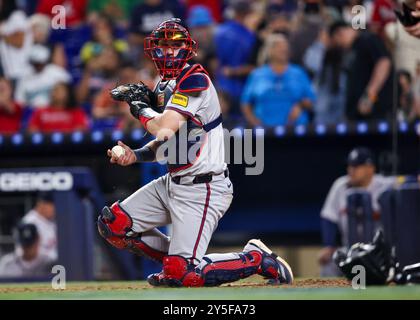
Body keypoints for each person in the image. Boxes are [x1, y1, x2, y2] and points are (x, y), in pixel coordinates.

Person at [97, 18, 294, 287]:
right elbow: (169, 143)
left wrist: (140, 108)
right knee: (114, 225)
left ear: (187, 49)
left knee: (186, 275)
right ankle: (177, 264)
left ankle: (255, 258)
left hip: (203, 188)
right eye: (162, 46)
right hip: (171, 183)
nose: (168, 52)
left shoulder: (195, 79)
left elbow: (164, 129)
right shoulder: (164, 85)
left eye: (174, 46)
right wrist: (137, 154)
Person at [318, 147, 395, 277]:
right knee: (328, 265)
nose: (351, 170)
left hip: (379, 252)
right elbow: (328, 217)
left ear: (370, 168)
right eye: (350, 166)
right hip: (349, 249)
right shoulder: (340, 185)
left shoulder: (385, 185)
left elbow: (408, 182)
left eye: (357, 166)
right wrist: (328, 245)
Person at [241, 34, 315, 127]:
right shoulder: (257, 75)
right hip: (265, 131)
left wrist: (300, 105)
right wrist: (255, 123)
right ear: (269, 50)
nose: (283, 50)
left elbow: (311, 100)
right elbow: (245, 103)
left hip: (294, 129)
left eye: (285, 47)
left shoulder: (299, 73)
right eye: (278, 46)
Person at [329, 21, 393, 121]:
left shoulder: (368, 40)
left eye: (338, 42)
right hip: (358, 115)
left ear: (339, 34)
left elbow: (383, 63)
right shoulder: (353, 49)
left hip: (374, 114)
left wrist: (369, 97)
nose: (340, 46)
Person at [14, 44, 71, 109]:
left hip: (53, 109)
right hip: (32, 112)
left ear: (46, 61)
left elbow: (68, 94)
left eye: (41, 62)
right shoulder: (24, 77)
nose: (38, 65)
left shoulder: (57, 72)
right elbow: (20, 102)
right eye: (36, 63)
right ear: (32, 62)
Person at [22, 192, 58, 262]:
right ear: (41, 204)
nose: (55, 208)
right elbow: (25, 254)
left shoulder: (54, 221)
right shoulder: (29, 223)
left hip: (56, 266)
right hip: (38, 269)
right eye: (52, 205)